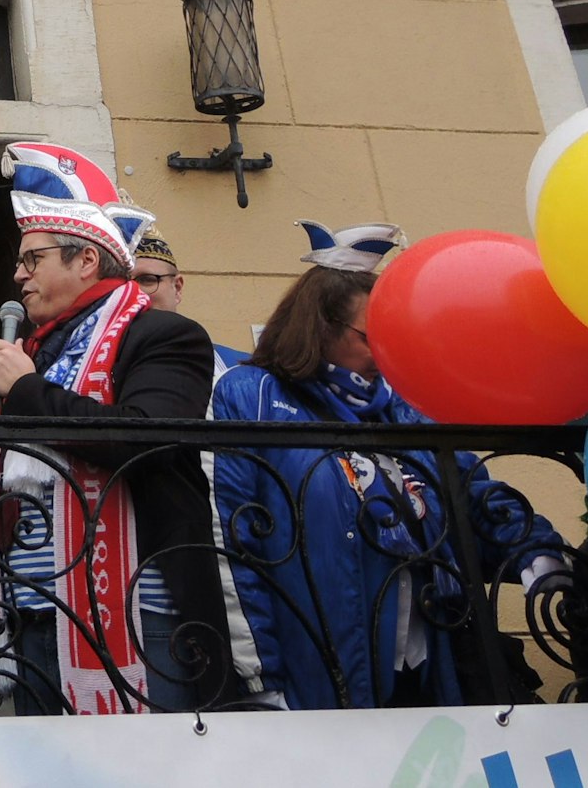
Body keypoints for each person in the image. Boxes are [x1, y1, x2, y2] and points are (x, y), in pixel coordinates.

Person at [0, 142, 231, 716]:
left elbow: (146, 439)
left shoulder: (163, 337)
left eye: (33, 258)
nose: (17, 273)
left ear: (85, 261)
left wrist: (26, 390)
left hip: (142, 621)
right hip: (33, 615)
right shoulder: (45, 353)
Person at [207, 220, 564, 711]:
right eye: (371, 336)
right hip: (317, 663)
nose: (385, 352)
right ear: (321, 328)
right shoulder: (252, 396)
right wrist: (260, 680)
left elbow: (468, 490)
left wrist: (534, 552)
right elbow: (233, 542)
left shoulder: (403, 403)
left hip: (427, 654)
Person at [130, 224, 249, 379]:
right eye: (119, 283)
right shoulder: (91, 373)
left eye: (146, 280)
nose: (131, 293)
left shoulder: (239, 374)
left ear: (177, 288)